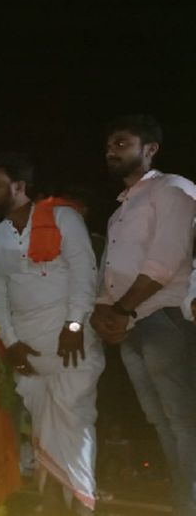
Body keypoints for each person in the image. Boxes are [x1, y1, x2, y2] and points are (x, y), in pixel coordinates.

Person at [0, 152, 104, 514]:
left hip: (71, 341)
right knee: (43, 423)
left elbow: (85, 271)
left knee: (75, 418)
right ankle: (51, 500)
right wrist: (11, 342)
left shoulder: (63, 217)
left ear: (19, 186)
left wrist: (75, 324)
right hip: (28, 347)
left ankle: (83, 505)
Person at [90, 115, 196, 514]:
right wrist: (105, 312)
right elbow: (109, 270)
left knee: (183, 417)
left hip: (163, 315)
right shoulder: (120, 210)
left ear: (150, 149)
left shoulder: (173, 189)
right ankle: (184, 497)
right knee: (159, 418)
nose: (110, 150)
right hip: (130, 322)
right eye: (109, 145)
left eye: (121, 142)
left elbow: (165, 261)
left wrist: (120, 309)